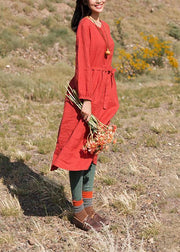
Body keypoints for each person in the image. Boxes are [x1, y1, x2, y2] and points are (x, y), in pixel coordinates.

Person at [51, 0, 119, 231]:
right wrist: (87, 99)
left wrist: (108, 97)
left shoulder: (105, 26)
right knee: (78, 151)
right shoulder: (85, 25)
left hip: (103, 93)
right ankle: (78, 211)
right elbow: (83, 64)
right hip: (86, 94)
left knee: (93, 149)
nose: (99, 0)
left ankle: (89, 207)